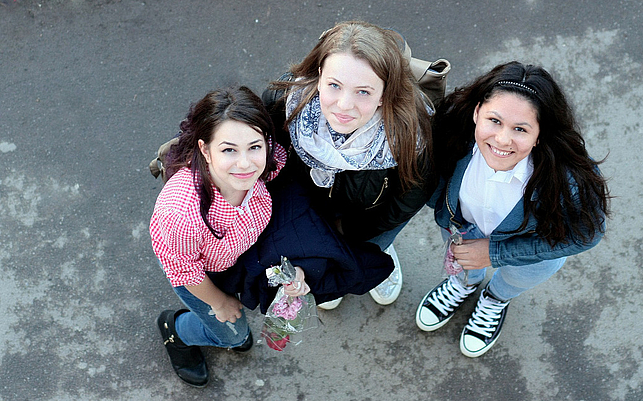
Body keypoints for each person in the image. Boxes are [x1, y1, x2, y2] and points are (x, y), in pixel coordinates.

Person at [415, 61, 611, 357]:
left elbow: (587, 234)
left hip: (532, 252)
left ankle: (495, 299)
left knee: (513, 279)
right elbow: (430, 184)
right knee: (465, 265)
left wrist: (494, 253)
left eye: (520, 129)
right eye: (494, 120)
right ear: (477, 112)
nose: (503, 140)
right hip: (463, 230)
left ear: (540, 134)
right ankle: (462, 283)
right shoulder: (452, 137)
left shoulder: (565, 177)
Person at [263, 21, 437, 308]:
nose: (344, 105)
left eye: (364, 92)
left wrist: (359, 238)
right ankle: (326, 266)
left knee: (363, 256)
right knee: (325, 280)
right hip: (309, 208)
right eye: (334, 85)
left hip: (370, 218)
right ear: (319, 76)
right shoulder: (286, 100)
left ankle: (376, 251)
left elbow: (408, 200)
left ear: (385, 93)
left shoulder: (410, 134)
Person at [150, 86, 309, 387]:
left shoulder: (270, 160)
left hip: (232, 255)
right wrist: (220, 302)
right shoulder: (183, 211)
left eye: (254, 147)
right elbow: (184, 269)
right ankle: (177, 330)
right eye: (228, 150)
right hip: (196, 269)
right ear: (205, 149)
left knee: (239, 327)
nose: (246, 164)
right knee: (232, 335)